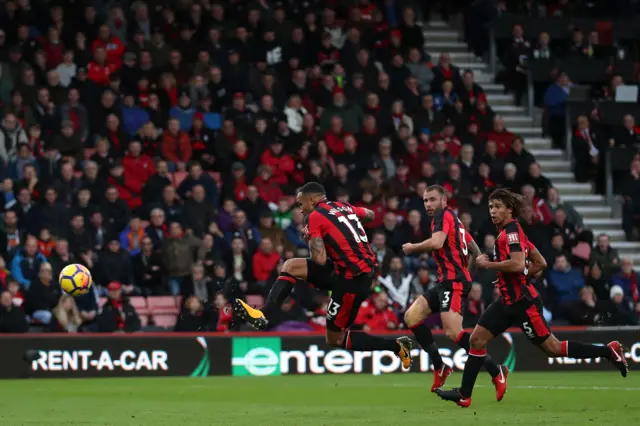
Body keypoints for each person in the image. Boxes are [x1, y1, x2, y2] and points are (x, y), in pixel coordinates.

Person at [436, 189, 628, 408]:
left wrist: (491, 266)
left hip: (523, 304)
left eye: (498, 206)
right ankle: (464, 394)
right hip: (507, 301)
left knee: (553, 348)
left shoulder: (511, 233)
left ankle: (608, 350)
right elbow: (540, 263)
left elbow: (518, 263)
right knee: (476, 340)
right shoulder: (510, 232)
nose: (493, 211)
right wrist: (511, 278)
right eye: (491, 207)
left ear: (510, 209)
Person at [234, 182, 413, 367]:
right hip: (346, 271)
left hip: (354, 280)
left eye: (301, 203)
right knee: (291, 266)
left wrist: (311, 238)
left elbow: (319, 259)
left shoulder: (315, 217)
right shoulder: (342, 207)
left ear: (312, 199)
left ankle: (397, 345)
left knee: (335, 339)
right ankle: (263, 315)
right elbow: (370, 214)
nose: (301, 209)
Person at [401, 185, 506, 397]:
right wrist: (469, 272)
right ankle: (440, 366)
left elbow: (437, 242)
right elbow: (474, 248)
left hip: (453, 282)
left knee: (453, 333)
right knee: (411, 317)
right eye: (425, 200)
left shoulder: (442, 217)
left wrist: (413, 247)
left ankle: (496, 371)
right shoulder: (453, 219)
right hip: (445, 281)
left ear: (444, 201)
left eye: (432, 199)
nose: (428, 204)